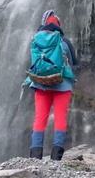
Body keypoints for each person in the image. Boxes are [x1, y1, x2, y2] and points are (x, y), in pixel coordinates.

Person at [23, 9, 78, 161]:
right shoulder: (64, 41)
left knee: (40, 118)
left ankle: (35, 156)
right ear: (58, 25)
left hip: (40, 84)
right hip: (63, 84)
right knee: (60, 117)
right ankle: (56, 157)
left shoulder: (36, 40)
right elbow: (74, 62)